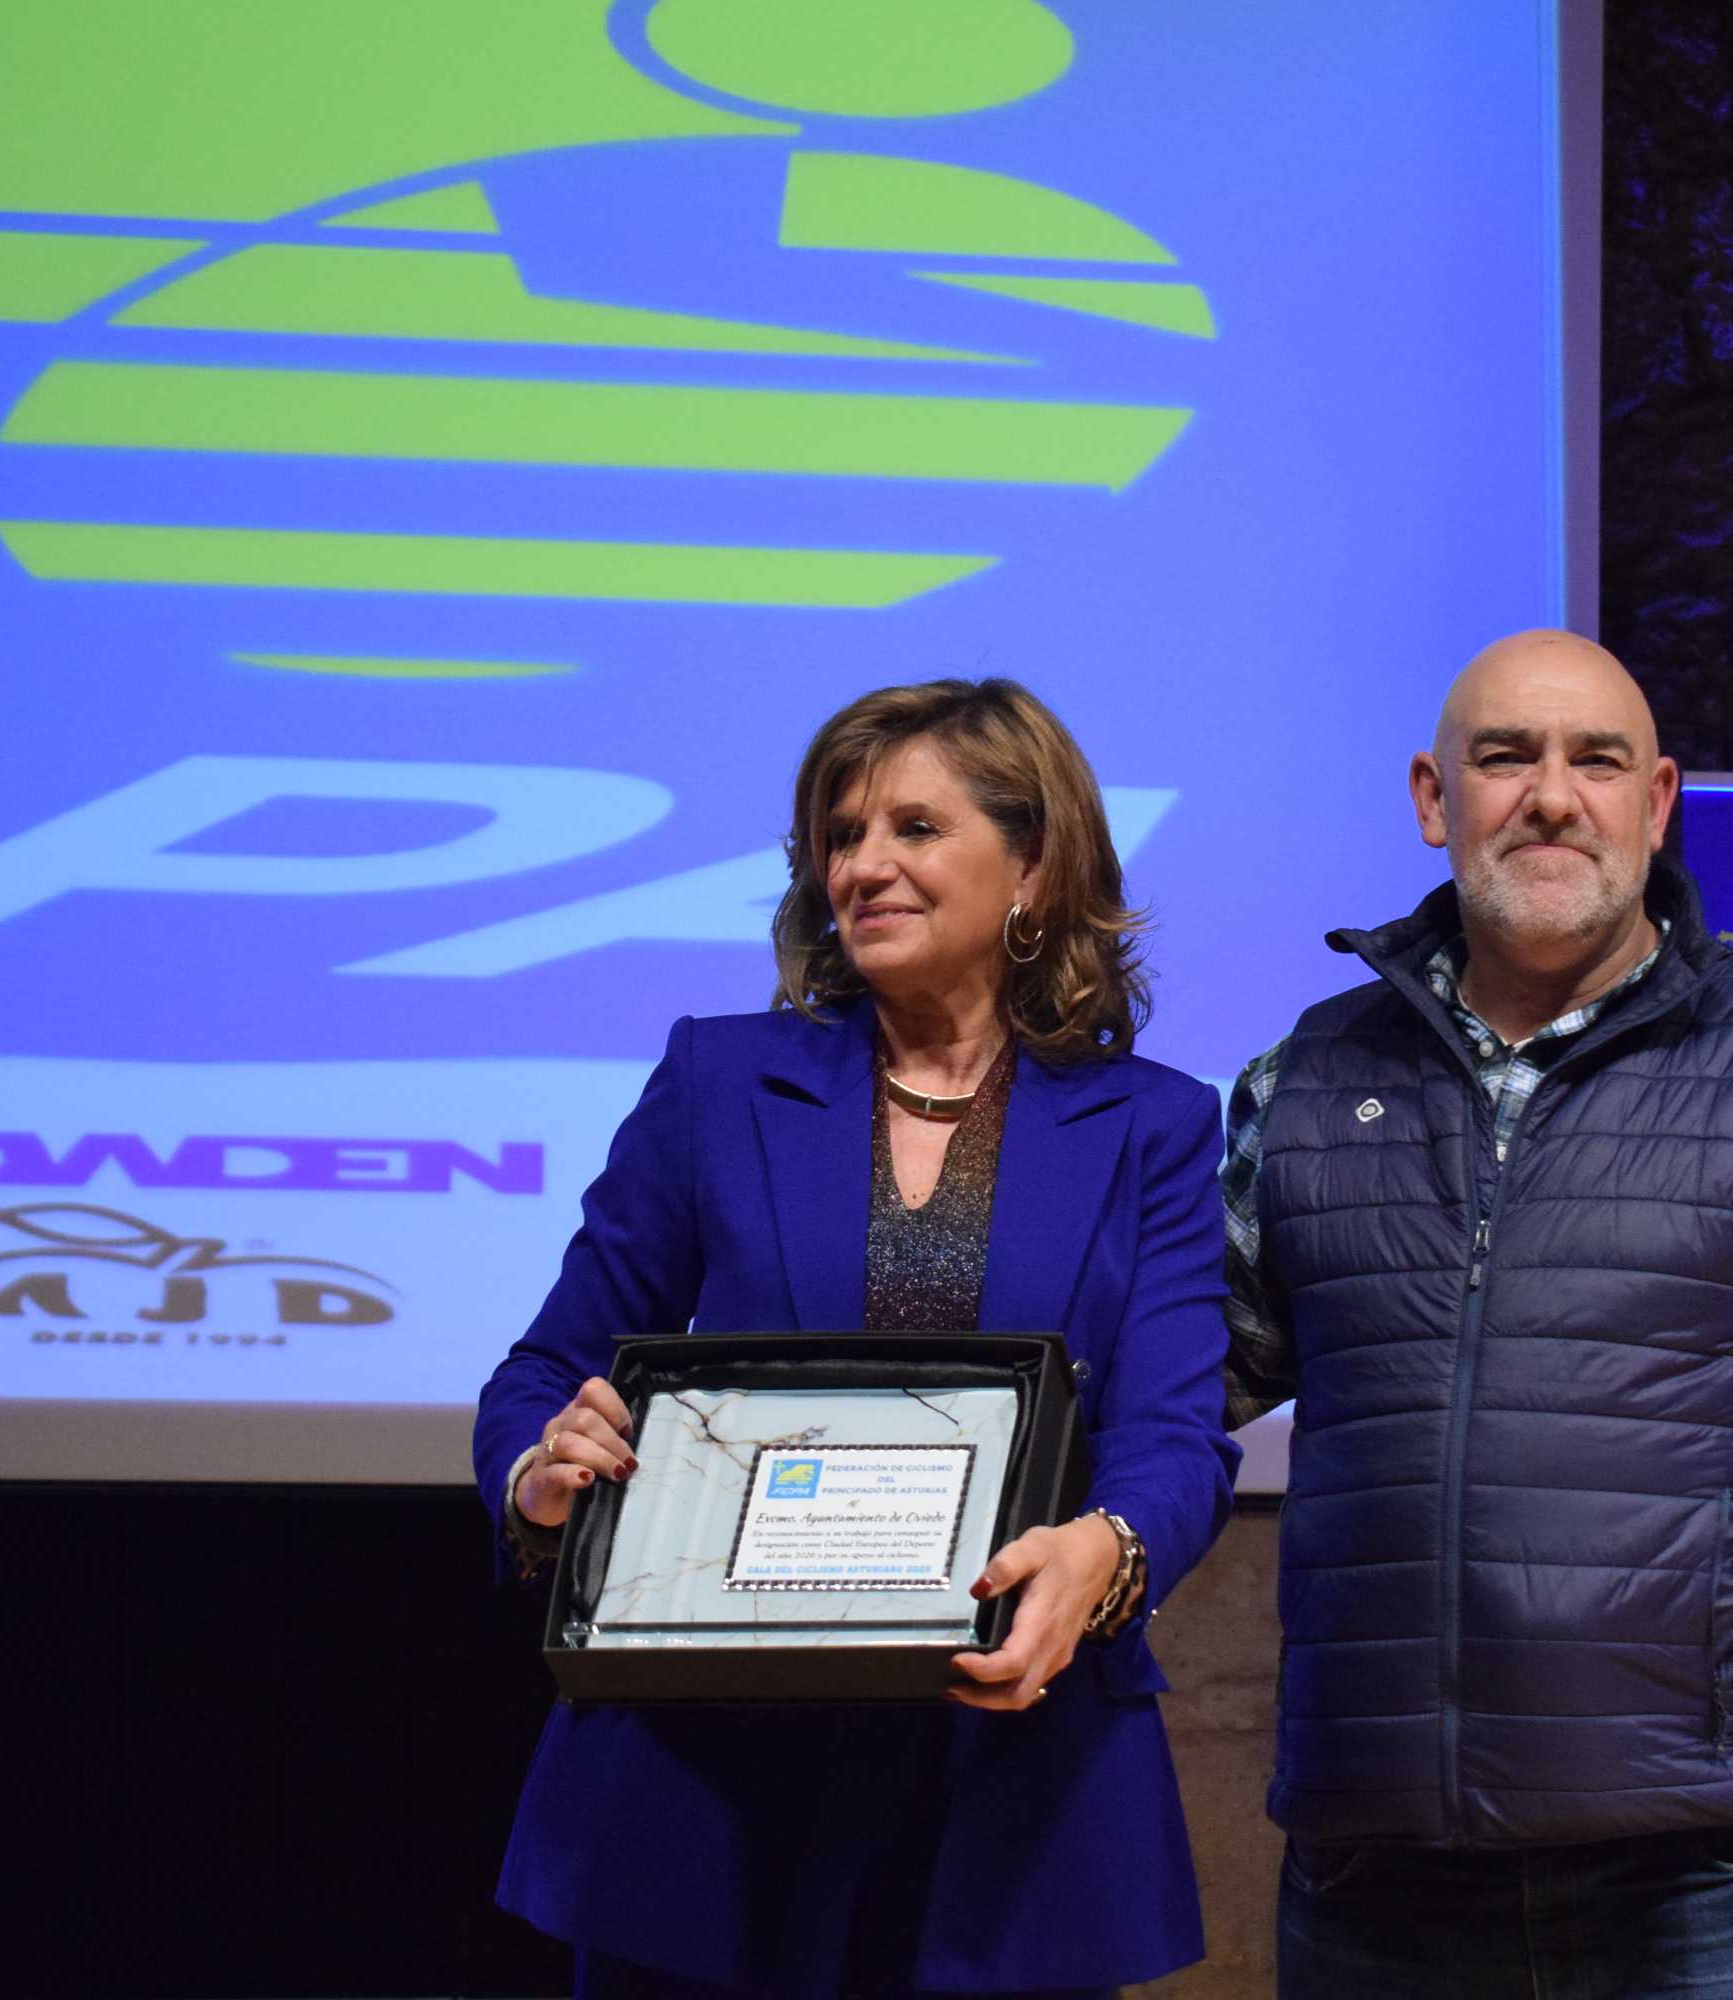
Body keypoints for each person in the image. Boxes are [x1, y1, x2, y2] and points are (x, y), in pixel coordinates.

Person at [1220, 629, 1733, 1998]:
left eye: (1595, 760)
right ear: (1434, 799)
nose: (1551, 795)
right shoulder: (1300, 1085)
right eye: (1506, 758)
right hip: (1381, 1869)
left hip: (1697, 1878)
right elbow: (1179, 1397)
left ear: (1656, 805)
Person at [474, 679, 1239, 1999]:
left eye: (915, 829)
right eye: (841, 835)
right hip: (705, 1786)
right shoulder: (719, 1083)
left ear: (1034, 866)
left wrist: (1103, 1551)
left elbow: (1173, 1434)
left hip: (1012, 1783)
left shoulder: (1153, 1128)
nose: (863, 866)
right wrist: (540, 1479)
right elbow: (545, 1372)